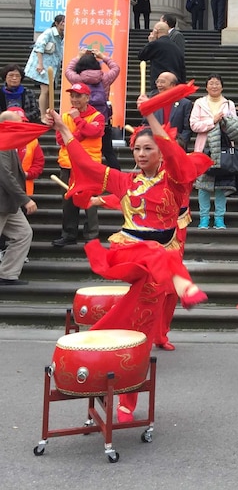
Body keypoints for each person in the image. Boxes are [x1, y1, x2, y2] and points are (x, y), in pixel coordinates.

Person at [48, 101, 210, 422]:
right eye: (136, 149)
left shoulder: (175, 182)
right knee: (139, 305)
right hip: (133, 256)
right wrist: (65, 130)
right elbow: (89, 166)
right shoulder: (127, 182)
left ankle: (123, 398)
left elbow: (178, 158)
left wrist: (151, 115)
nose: (140, 154)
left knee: (136, 329)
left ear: (161, 152)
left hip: (157, 263)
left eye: (148, 149)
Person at [52, 83, 104, 248]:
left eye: (78, 96)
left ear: (87, 98)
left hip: (89, 166)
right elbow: (61, 140)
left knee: (90, 201)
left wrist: (77, 121)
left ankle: (92, 236)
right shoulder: (64, 116)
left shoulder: (98, 116)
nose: (74, 99)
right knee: (68, 201)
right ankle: (69, 234)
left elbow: (94, 132)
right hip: (68, 164)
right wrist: (80, 133)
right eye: (72, 96)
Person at [190, 74, 238, 229]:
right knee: (203, 186)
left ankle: (219, 218)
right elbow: (194, 125)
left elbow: (235, 127)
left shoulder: (229, 104)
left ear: (222, 87)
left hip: (223, 149)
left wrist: (224, 122)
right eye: (211, 83)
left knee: (221, 185)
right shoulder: (199, 103)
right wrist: (212, 121)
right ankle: (204, 218)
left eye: (217, 83)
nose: (214, 86)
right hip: (204, 148)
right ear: (206, 87)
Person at [64, 48, 122, 169]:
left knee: (81, 149)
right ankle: (119, 179)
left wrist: (78, 56)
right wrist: (102, 56)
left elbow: (68, 70)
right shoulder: (104, 78)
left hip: (79, 120)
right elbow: (116, 68)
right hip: (102, 120)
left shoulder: (77, 79)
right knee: (108, 152)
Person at [0, 111, 37, 285]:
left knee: (23, 234)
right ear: (6, 124)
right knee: (23, 233)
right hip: (3, 201)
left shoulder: (9, 141)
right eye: (18, 122)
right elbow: (5, 175)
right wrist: (25, 199)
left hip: (8, 202)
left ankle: (7, 274)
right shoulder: (2, 142)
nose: (22, 125)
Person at [24, 14, 65, 119]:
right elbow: (39, 46)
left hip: (53, 68)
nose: (64, 24)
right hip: (43, 67)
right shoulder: (49, 32)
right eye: (62, 22)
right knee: (45, 90)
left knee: (49, 91)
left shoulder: (63, 36)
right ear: (56, 23)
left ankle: (48, 113)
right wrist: (40, 64)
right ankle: (42, 115)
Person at [142, 72, 193, 151]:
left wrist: (180, 144)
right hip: (155, 146)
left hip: (176, 146)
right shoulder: (152, 102)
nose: (159, 85)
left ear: (173, 85)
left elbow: (187, 128)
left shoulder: (185, 104)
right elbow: (146, 124)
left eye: (162, 82)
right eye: (157, 81)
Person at [138, 22, 186, 92]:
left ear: (156, 31)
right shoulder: (176, 47)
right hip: (174, 85)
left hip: (159, 86)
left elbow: (141, 56)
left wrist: (150, 42)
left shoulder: (155, 44)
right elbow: (182, 69)